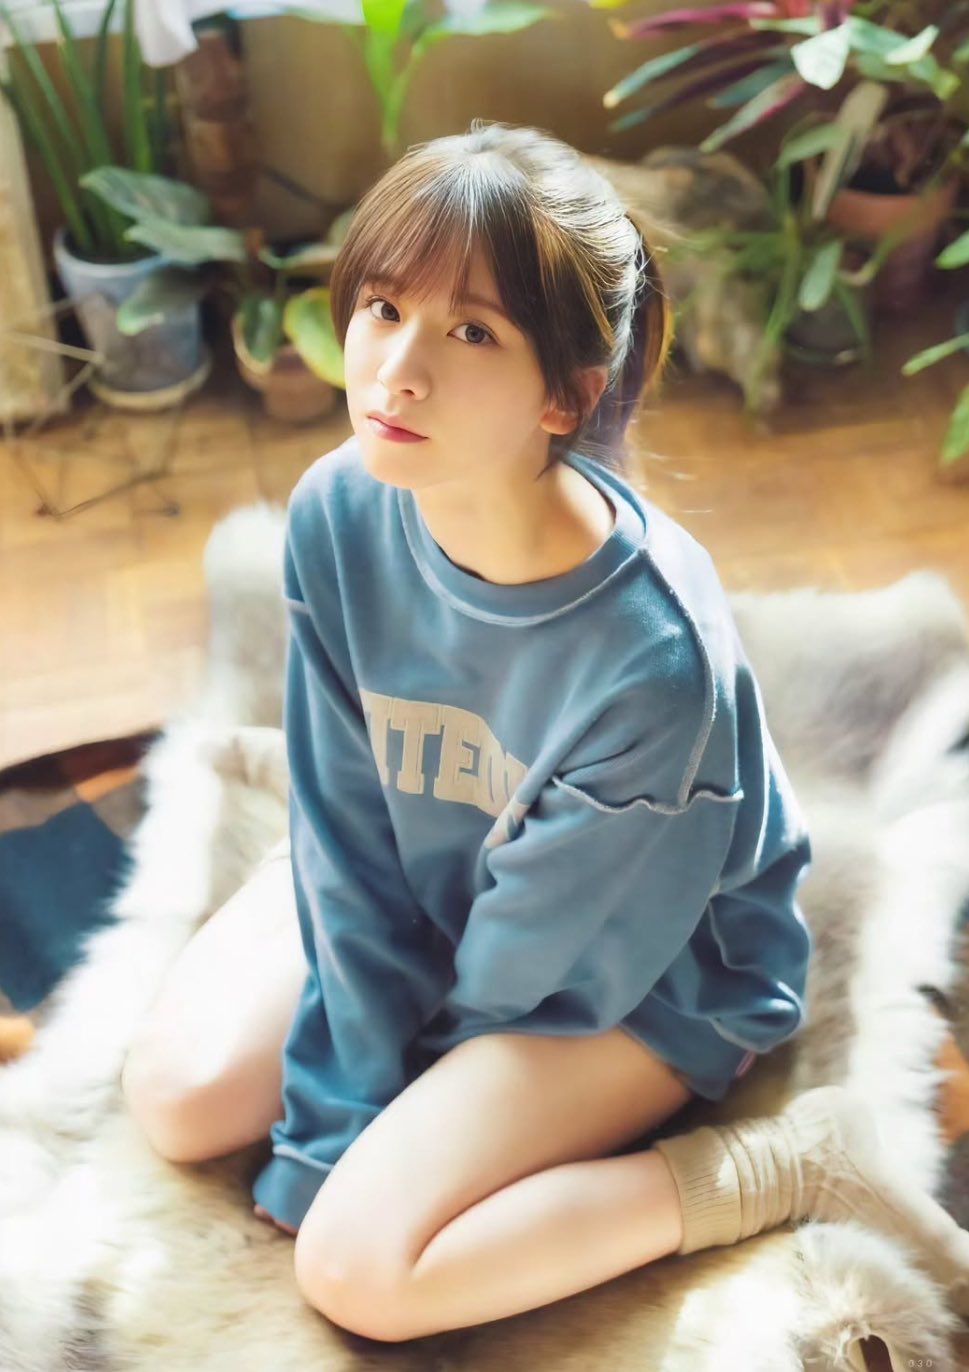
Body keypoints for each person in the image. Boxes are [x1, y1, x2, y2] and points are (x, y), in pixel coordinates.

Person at [121, 119, 969, 1342]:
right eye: (383, 307)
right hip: (441, 860)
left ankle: (790, 1160)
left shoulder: (651, 661)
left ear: (569, 389)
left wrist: (374, 1122)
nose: (396, 370)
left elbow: (541, 970)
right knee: (181, 1097)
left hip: (639, 976)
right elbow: (350, 826)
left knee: (360, 1266)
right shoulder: (338, 512)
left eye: (471, 332)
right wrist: (329, 1104)